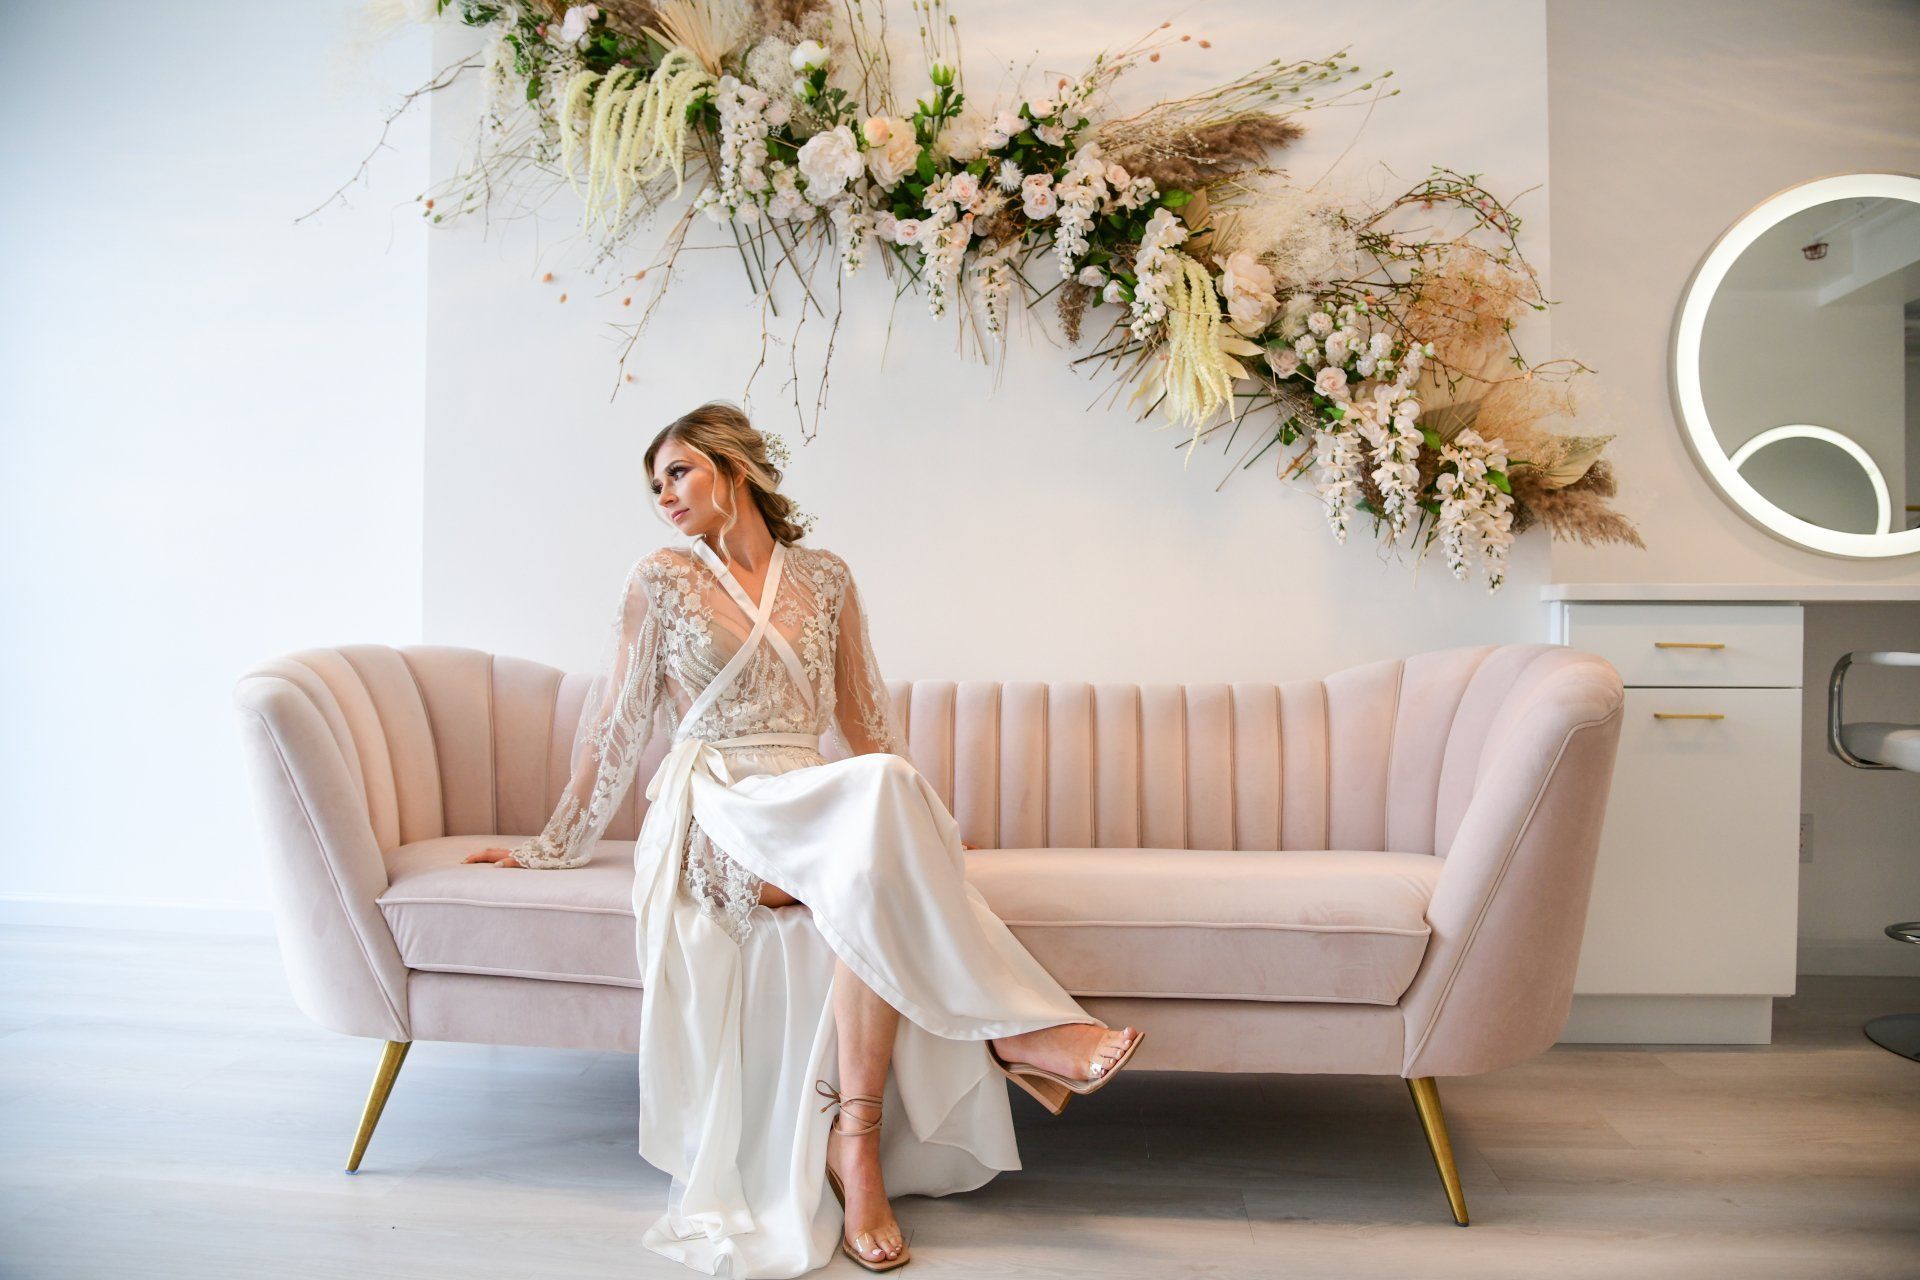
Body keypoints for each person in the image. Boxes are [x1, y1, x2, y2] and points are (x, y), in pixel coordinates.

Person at [466, 401, 1143, 1277]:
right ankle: (1020, 1035)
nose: (663, 494)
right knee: (873, 843)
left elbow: (867, 724)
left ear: (733, 471)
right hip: (719, 799)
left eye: (678, 472)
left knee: (878, 847)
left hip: (812, 796)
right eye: (654, 483)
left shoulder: (825, 579)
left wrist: (918, 837)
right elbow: (615, 722)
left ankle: (853, 1150)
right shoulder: (661, 577)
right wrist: (552, 843)